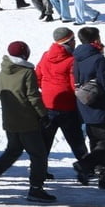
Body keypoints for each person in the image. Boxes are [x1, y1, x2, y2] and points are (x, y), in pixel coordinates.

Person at [0, 41, 55, 203]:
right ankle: (36, 189)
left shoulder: (4, 70)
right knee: (39, 155)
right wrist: (43, 115)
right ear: (24, 54)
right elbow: (33, 97)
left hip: (10, 119)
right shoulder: (27, 72)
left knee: (13, 150)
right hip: (27, 120)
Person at [72, 26, 105, 189]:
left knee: (96, 141)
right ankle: (85, 164)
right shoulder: (99, 59)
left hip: (85, 104)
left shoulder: (77, 57)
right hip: (101, 106)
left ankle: (103, 177)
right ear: (96, 39)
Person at [35, 27, 89, 175]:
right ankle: (86, 168)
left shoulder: (46, 55)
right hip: (67, 106)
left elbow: (37, 76)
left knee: (44, 141)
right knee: (76, 139)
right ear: (68, 41)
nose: (75, 42)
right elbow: (74, 84)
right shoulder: (72, 60)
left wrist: (47, 90)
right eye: (73, 39)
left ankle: (40, 171)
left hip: (47, 105)